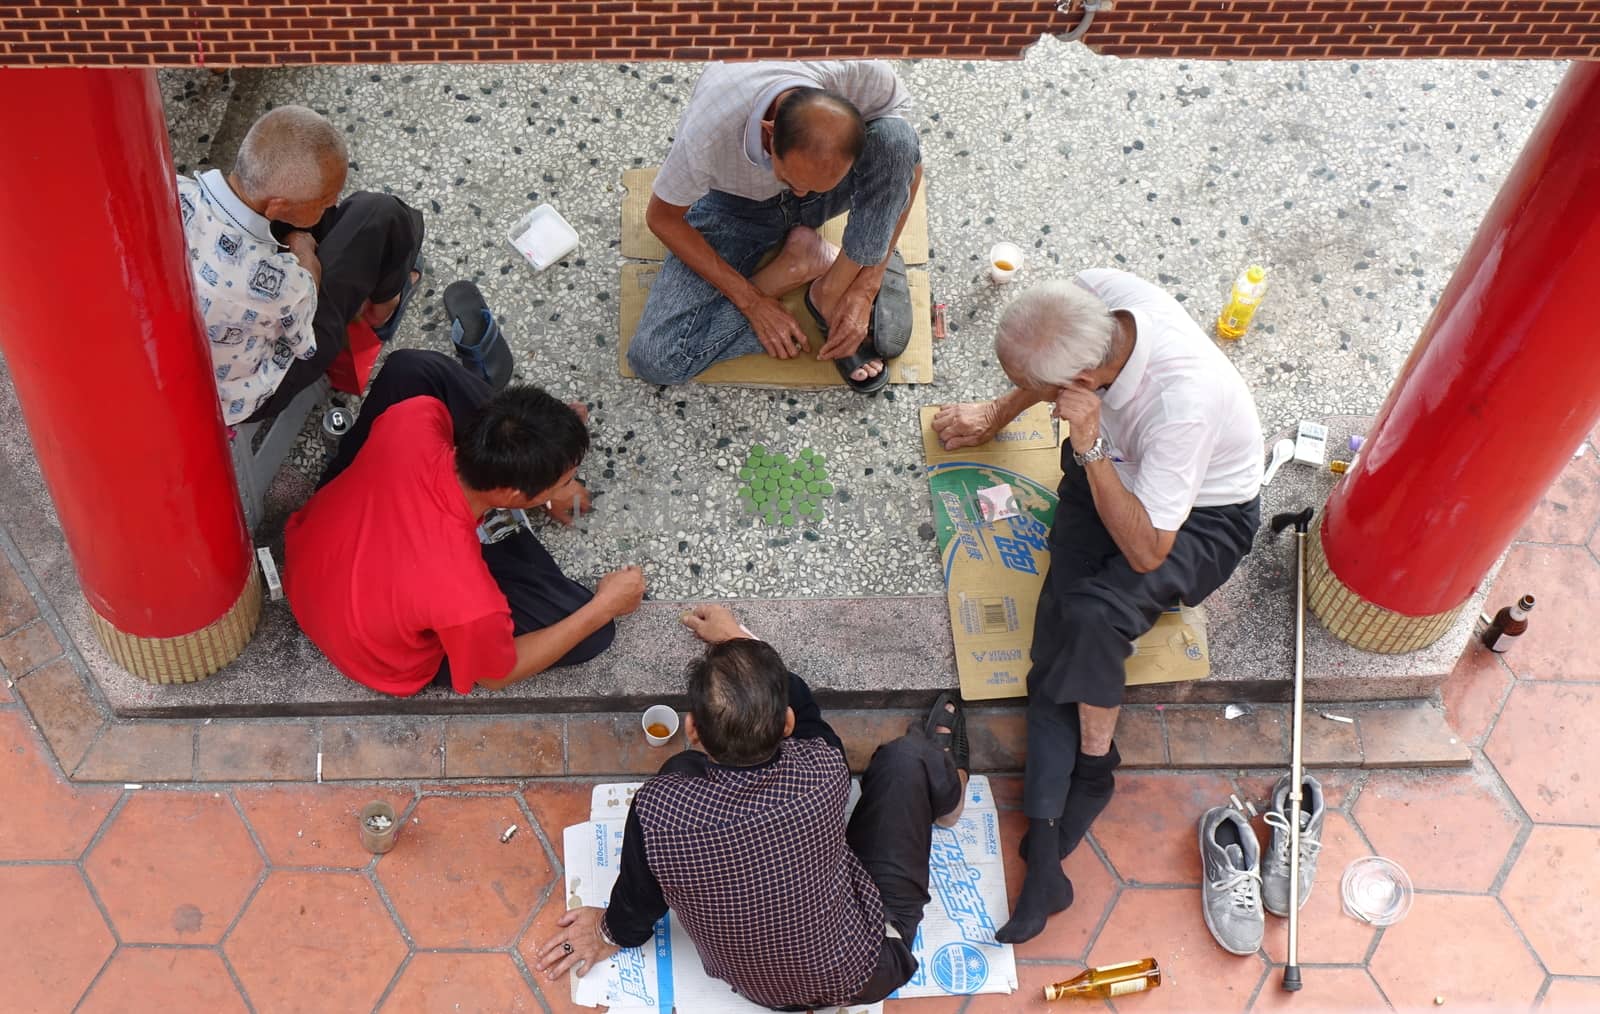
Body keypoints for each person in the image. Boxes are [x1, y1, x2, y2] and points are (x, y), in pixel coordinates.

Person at [932, 271, 1264, 944]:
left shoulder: (1183, 403)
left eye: (1042, 391)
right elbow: (1039, 366)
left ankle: (1094, 766)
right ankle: (1047, 855)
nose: (1031, 397)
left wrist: (1087, 444)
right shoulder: (1096, 297)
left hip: (1198, 520)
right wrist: (996, 415)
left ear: (1083, 380)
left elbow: (1147, 551)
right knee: (1057, 632)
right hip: (1112, 466)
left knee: (1092, 616)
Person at [535, 604, 970, 1011]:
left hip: (762, 992)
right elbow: (804, 707)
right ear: (787, 726)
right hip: (869, 966)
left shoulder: (659, 811)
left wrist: (607, 931)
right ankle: (950, 798)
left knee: (681, 770)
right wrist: (739, 640)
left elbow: (637, 901)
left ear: (692, 730)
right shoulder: (822, 767)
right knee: (908, 758)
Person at [283, 349, 645, 696]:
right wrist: (605, 606)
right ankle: (522, 519)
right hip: (373, 653)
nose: (568, 489)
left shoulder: (413, 419)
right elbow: (496, 677)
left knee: (411, 368)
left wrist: (546, 468)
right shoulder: (468, 598)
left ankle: (530, 463)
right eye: (563, 482)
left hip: (312, 556)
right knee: (593, 631)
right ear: (514, 496)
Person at [627, 61, 922, 393]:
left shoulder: (861, 73)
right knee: (659, 358)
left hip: (832, 196)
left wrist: (865, 287)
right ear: (769, 134)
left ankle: (832, 289)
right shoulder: (708, 131)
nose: (801, 195)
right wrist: (751, 301)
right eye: (790, 179)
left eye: (815, 185)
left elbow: (908, 166)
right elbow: (661, 218)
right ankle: (795, 266)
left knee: (897, 139)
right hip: (738, 208)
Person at [176, 105, 425, 425]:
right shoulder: (281, 282)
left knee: (331, 224)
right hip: (242, 394)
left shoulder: (174, 189)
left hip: (189, 365)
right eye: (324, 201)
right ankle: (383, 309)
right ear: (278, 205)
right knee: (379, 214)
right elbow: (304, 325)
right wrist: (304, 250)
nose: (332, 204)